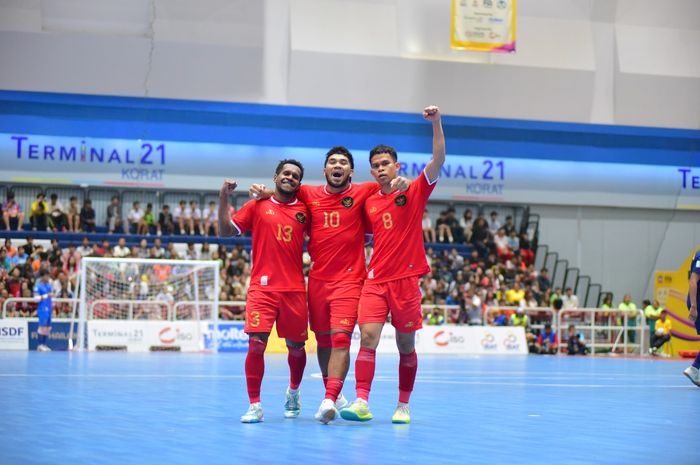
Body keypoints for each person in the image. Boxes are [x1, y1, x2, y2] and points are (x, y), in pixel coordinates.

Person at [250, 147, 411, 424]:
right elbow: (283, 191)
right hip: (318, 281)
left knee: (340, 340)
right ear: (325, 170)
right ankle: (332, 394)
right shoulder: (308, 193)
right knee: (323, 342)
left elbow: (390, 186)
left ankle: (329, 397)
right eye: (333, 162)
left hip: (350, 280)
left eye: (343, 163)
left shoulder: (365, 190)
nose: (338, 166)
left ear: (351, 171)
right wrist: (264, 193)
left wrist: (404, 181)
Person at [339, 105, 444, 425]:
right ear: (371, 172)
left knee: (405, 345)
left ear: (396, 165)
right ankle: (361, 401)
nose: (381, 168)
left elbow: (438, 159)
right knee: (367, 339)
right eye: (375, 166)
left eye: (385, 163)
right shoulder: (369, 201)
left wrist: (437, 122)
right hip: (375, 281)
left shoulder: (413, 190)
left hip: (406, 281)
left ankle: (403, 405)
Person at [219, 159, 310, 423]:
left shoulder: (305, 211)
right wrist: (223, 196)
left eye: (295, 176)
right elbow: (226, 231)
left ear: (299, 183)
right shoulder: (257, 206)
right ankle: (255, 404)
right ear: (275, 176)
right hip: (262, 289)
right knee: (256, 345)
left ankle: (293, 391)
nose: (290, 177)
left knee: (296, 347)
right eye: (286, 173)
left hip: (293, 290)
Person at [683, 249, 700, 387]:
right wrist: (694, 306)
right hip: (698, 302)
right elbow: (693, 280)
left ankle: (695, 368)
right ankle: (694, 368)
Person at [33, 269, 53, 352]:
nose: (48, 277)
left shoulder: (49, 286)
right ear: (42, 277)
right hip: (42, 309)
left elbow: (51, 296)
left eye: (48, 276)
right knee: (42, 327)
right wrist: (46, 296)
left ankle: (44, 345)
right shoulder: (38, 286)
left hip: (49, 308)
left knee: (47, 328)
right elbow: (36, 299)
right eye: (46, 276)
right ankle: (40, 345)